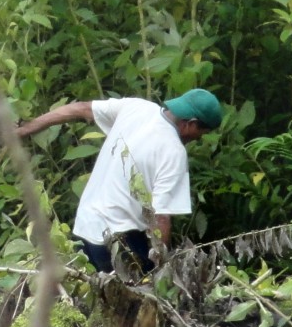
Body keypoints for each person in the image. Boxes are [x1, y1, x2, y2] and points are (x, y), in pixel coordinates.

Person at [15, 88, 223, 274]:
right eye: (201, 133)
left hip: (85, 226)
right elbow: (162, 218)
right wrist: (162, 269)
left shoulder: (137, 108)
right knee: (138, 303)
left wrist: (24, 130)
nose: (199, 139)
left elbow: (80, 109)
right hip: (118, 242)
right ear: (191, 124)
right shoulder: (174, 152)